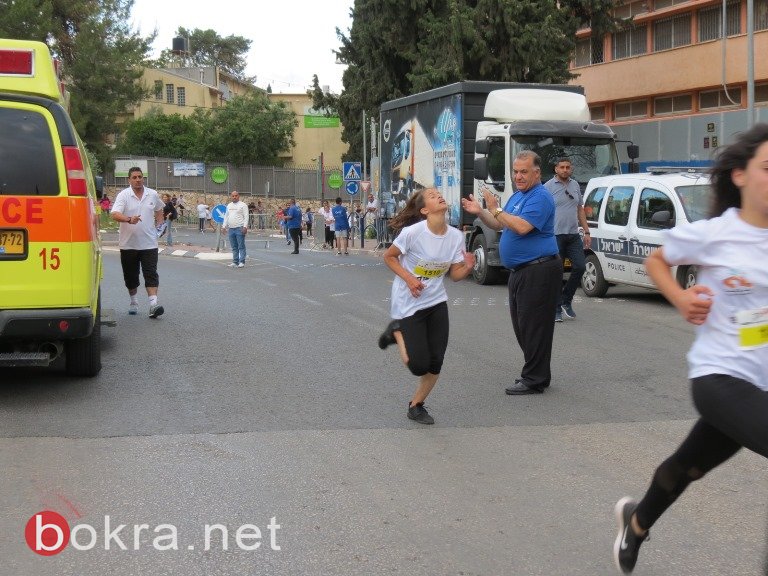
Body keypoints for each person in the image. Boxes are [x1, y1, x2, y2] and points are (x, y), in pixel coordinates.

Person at [612, 123, 768, 574]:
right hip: (720, 376)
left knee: (688, 468)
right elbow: (657, 260)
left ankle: (636, 521)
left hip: (759, 386)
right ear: (739, 175)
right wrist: (681, 299)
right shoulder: (717, 233)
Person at [461, 150, 560, 395]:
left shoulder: (541, 197)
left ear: (537, 173)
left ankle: (534, 379)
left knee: (534, 326)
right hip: (520, 271)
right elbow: (499, 224)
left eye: (524, 172)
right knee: (523, 326)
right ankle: (538, 374)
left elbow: (523, 227)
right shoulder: (517, 196)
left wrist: (495, 209)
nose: (518, 176)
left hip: (539, 269)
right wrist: (481, 212)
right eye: (516, 171)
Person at [378, 188, 475, 424]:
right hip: (409, 303)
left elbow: (454, 275)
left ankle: (416, 405)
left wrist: (468, 267)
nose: (439, 196)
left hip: (436, 302)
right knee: (418, 366)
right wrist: (410, 279)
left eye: (439, 194)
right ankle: (397, 331)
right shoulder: (413, 233)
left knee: (435, 362)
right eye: (432, 196)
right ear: (424, 210)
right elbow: (389, 257)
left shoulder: (455, 236)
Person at [110, 167, 165, 319]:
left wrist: (160, 225)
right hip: (128, 245)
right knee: (131, 276)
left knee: (151, 273)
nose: (137, 179)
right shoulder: (124, 195)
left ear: (143, 178)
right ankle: (134, 301)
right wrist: (129, 219)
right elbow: (114, 214)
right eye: (134, 177)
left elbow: (160, 209)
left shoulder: (152, 194)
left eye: (140, 176)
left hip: (149, 244)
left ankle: (153, 305)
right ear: (129, 180)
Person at [544, 157, 591, 322]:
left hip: (573, 235)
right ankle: (556, 309)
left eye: (568, 167)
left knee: (580, 267)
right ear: (556, 169)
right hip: (555, 236)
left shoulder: (575, 185)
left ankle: (566, 300)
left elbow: (580, 210)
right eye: (562, 167)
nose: (565, 170)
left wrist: (586, 232)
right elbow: (542, 211)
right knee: (557, 274)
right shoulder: (547, 187)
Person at [222, 190, 248, 268]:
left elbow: (246, 216)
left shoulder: (243, 205)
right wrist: (223, 227)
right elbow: (226, 217)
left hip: (239, 228)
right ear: (231, 197)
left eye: (236, 195)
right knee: (234, 247)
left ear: (238, 196)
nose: (234, 197)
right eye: (233, 196)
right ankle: (235, 261)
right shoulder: (229, 205)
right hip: (231, 229)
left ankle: (242, 262)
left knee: (241, 246)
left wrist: (245, 227)